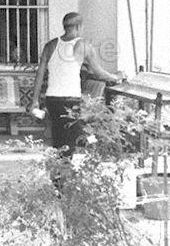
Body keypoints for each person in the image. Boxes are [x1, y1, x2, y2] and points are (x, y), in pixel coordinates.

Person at [30, 12, 123, 158]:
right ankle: (68, 173)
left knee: (59, 139)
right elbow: (98, 72)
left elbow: (40, 74)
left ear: (65, 26)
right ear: (79, 27)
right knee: (72, 141)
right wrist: (116, 78)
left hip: (52, 99)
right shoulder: (83, 45)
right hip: (70, 100)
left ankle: (59, 177)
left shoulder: (51, 45)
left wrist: (34, 100)